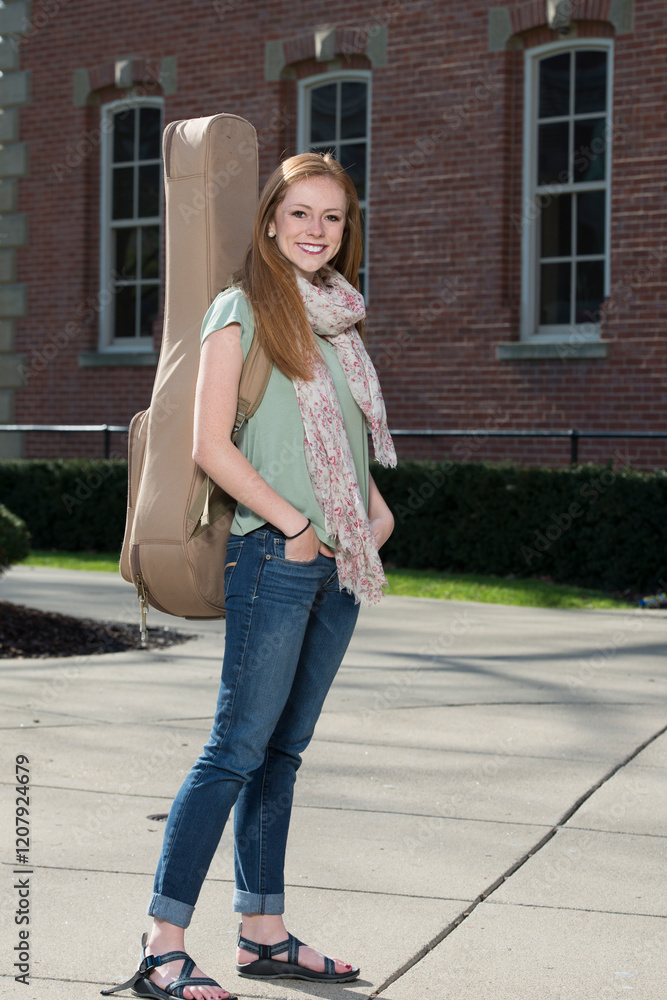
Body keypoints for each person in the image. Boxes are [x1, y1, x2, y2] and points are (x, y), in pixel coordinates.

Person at [103, 151, 396, 1000]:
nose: (315, 230)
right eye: (299, 213)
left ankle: (262, 931)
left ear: (347, 231)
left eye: (332, 217)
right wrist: (298, 524)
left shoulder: (339, 319)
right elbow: (209, 445)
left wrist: (374, 513)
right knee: (234, 750)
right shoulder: (241, 308)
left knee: (283, 753)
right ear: (269, 220)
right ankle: (163, 943)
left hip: (341, 563)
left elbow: (336, 439)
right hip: (275, 557)